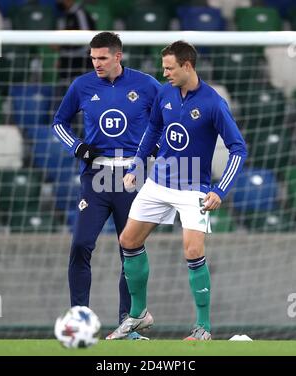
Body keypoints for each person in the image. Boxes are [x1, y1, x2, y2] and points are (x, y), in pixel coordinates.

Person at [106, 41, 248, 340]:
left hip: (193, 186)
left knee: (193, 251)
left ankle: (203, 328)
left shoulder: (213, 102)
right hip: (158, 182)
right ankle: (138, 315)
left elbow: (238, 148)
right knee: (127, 240)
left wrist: (220, 190)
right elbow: (153, 131)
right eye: (163, 67)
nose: (165, 72)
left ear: (188, 66)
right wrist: (136, 167)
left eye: (170, 67)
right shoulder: (165, 93)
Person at [51, 32, 161, 339]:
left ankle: (129, 323)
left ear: (117, 57)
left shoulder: (147, 85)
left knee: (130, 250)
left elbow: (166, 121)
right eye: (92, 57)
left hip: (131, 178)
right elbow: (58, 123)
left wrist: (154, 147)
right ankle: (78, 323)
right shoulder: (81, 86)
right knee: (81, 245)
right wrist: (78, 147)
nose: (96, 63)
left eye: (101, 58)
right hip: (96, 178)